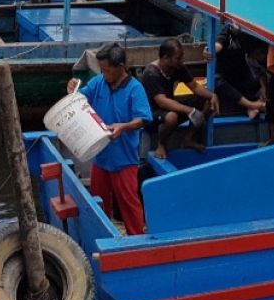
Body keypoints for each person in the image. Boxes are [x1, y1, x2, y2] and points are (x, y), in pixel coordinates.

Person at [66, 42, 152, 235]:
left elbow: (143, 118)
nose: (103, 74)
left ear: (120, 67)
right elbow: (80, 98)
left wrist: (124, 126)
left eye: (106, 70)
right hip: (101, 156)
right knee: (98, 199)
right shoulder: (98, 83)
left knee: (129, 203)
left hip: (124, 159)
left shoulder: (135, 89)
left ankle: (136, 240)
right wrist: (72, 89)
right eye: (101, 70)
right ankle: (101, 234)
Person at [142, 37, 220, 158]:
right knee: (171, 117)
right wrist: (189, 110)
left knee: (207, 101)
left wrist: (212, 95)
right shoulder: (151, 73)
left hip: (171, 108)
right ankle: (161, 144)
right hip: (152, 115)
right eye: (178, 58)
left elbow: (194, 86)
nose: (181, 60)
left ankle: (188, 139)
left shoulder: (177, 67)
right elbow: (162, 102)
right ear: (165, 58)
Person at [208, 23, 266, 118]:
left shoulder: (247, 32)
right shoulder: (226, 33)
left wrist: (264, 88)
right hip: (224, 78)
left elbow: (257, 58)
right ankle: (250, 105)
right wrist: (208, 50)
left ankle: (253, 104)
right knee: (218, 82)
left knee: (258, 83)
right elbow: (217, 45)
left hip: (241, 76)